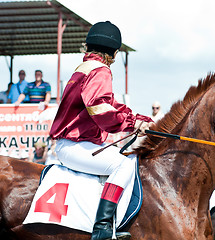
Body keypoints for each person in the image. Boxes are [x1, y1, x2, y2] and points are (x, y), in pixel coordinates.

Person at [49, 21, 154, 240]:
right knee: (124, 164)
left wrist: (141, 120)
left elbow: (111, 104)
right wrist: (132, 124)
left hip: (76, 144)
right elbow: (100, 108)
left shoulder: (86, 68)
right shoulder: (101, 70)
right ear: (114, 52)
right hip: (74, 145)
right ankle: (103, 228)